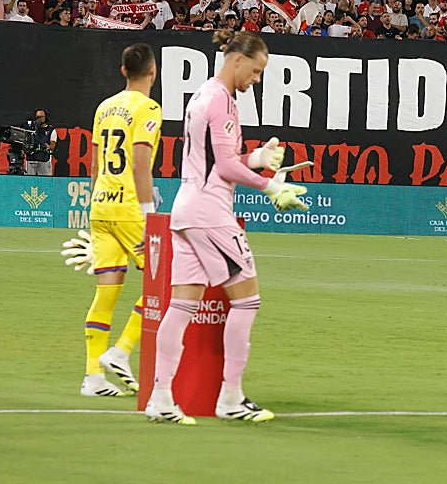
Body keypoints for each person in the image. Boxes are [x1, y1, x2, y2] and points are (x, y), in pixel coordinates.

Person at [144, 30, 309, 425]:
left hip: (187, 208)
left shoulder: (203, 95)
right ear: (237, 60)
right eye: (255, 71)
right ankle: (230, 397)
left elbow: (219, 158)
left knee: (182, 305)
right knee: (247, 300)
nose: (256, 80)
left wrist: (259, 157)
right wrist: (271, 185)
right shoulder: (222, 100)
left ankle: (161, 398)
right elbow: (224, 167)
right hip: (210, 212)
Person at [79, 45, 161, 398]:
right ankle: (122, 351)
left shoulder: (104, 107)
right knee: (166, 284)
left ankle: (93, 377)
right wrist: (148, 216)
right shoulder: (148, 108)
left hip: (101, 206)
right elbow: (141, 164)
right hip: (130, 209)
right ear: (153, 72)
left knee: (106, 293)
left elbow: (96, 165)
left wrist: (99, 201)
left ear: (123, 71)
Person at [25, 109, 57, 176]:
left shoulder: (50, 130)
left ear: (46, 117)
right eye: (37, 117)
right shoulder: (30, 129)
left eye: (41, 117)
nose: (39, 119)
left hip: (44, 160)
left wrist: (49, 147)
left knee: (45, 182)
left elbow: (53, 144)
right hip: (31, 160)